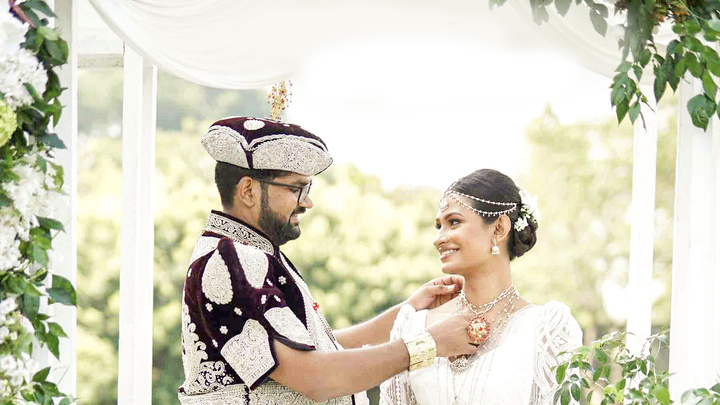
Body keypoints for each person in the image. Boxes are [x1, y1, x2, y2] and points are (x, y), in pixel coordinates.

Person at [177, 116, 479, 405]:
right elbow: (314, 378)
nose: (307, 202)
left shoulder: (250, 255)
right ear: (248, 190)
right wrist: (428, 345)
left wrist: (408, 311)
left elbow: (320, 351)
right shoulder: (232, 260)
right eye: (296, 189)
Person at [379, 169, 583, 405]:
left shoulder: (546, 329)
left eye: (454, 222)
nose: (439, 238)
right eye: (439, 226)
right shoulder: (413, 325)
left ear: (499, 229)